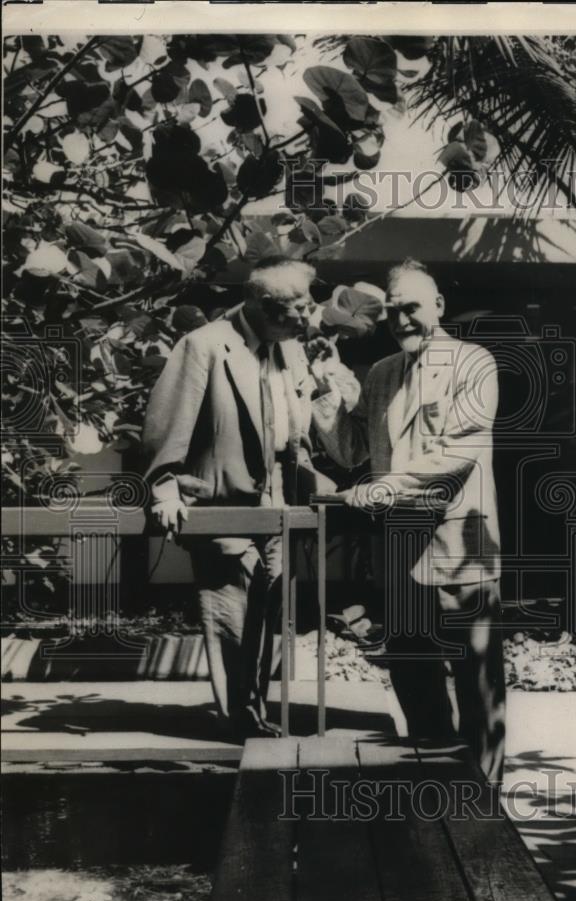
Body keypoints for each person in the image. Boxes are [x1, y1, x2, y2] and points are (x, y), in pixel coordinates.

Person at [141, 257, 360, 739]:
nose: (309, 316)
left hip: (279, 504)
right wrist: (164, 486)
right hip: (222, 504)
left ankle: (254, 715)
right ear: (265, 306)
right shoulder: (203, 345)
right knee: (231, 617)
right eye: (299, 307)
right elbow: (166, 424)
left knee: (269, 619)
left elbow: (293, 433)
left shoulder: (291, 351)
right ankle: (240, 723)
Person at [311, 259, 506, 783]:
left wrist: (380, 489)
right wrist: (326, 383)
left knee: (475, 678)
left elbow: (456, 454)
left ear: (438, 306)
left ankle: (483, 795)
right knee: (413, 673)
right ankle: (433, 785)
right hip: (398, 550)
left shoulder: (474, 363)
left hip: (460, 546)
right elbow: (351, 449)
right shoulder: (380, 374)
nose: (401, 321)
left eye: (411, 309)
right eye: (392, 312)